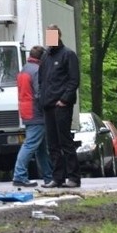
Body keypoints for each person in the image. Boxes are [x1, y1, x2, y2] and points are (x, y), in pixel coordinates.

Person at [39, 24, 81, 188]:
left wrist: (64, 99)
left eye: (53, 35)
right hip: (47, 105)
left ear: (58, 36)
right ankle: (57, 178)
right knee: (52, 145)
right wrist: (40, 98)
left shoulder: (68, 55)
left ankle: (73, 177)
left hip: (62, 106)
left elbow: (73, 80)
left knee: (65, 142)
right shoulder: (46, 57)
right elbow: (41, 79)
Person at [11, 45, 53, 187]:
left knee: (41, 147)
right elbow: (39, 93)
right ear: (41, 57)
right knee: (30, 145)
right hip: (37, 112)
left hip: (26, 111)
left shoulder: (24, 69)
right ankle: (19, 175)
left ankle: (48, 177)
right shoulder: (37, 71)